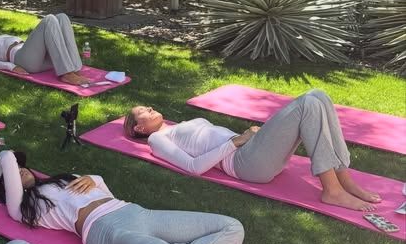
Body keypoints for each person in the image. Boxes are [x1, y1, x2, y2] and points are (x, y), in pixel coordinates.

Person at [0, 149, 243, 244]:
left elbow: (104, 189)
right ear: (7, 187)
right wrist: (4, 156)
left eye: (22, 166)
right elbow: (7, 157)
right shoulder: (25, 208)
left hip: (136, 213)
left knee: (233, 227)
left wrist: (92, 178)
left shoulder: (60, 180)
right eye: (12, 172)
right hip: (105, 232)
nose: (20, 169)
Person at [126, 89, 381, 212]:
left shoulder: (176, 126)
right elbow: (193, 168)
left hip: (251, 150)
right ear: (139, 128)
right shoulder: (157, 140)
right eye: (143, 112)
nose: (149, 109)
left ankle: (344, 179)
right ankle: (332, 191)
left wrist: (244, 138)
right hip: (244, 163)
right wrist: (235, 143)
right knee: (307, 105)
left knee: (318, 96)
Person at [0, 14, 90, 86]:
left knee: (62, 17)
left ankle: (74, 67)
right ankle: (66, 73)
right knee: (49, 20)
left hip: (34, 55)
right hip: (23, 59)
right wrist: (11, 67)